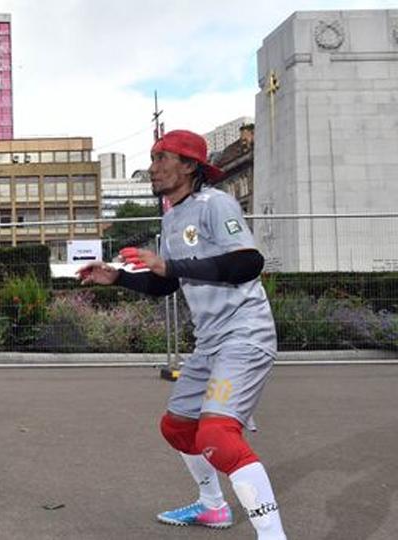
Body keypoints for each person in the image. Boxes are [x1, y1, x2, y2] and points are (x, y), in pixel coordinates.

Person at [79, 130, 287, 540]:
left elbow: (248, 263)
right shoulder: (172, 216)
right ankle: (213, 507)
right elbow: (167, 283)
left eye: (162, 158)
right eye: (152, 159)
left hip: (244, 334)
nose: (153, 168)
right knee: (177, 426)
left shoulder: (216, 204)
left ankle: (273, 536)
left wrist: (170, 266)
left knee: (217, 436)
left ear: (190, 166)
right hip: (210, 343)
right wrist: (118, 277)